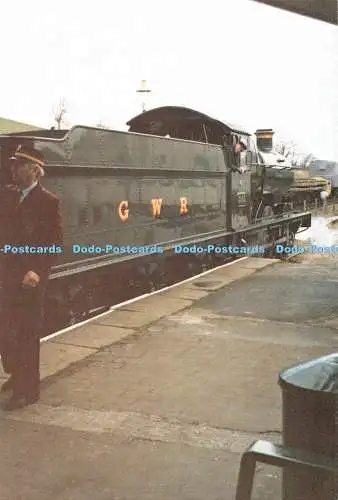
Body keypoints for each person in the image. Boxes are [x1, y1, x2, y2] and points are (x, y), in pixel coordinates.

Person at [0, 144, 63, 411]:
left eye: (19, 165)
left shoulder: (49, 202)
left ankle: (28, 390)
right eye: (13, 165)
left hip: (30, 280)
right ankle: (16, 372)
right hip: (7, 275)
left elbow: (55, 243)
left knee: (26, 333)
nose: (13, 169)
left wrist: (37, 270)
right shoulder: (9, 197)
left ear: (34, 170)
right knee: (4, 330)